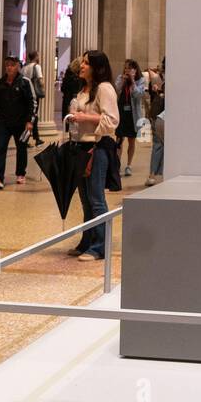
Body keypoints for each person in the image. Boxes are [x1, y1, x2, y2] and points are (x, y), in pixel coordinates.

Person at [65, 51, 120, 260]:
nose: (82, 65)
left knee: (96, 198)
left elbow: (111, 120)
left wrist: (84, 117)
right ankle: (87, 240)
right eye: (83, 62)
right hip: (80, 147)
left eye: (87, 63)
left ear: (97, 67)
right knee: (86, 200)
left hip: (97, 147)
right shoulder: (83, 89)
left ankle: (99, 246)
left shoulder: (104, 88)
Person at [0, 56, 36, 189]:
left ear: (18, 66)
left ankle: (21, 173)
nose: (9, 67)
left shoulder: (25, 82)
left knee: (21, 148)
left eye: (12, 65)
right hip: (3, 122)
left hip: (21, 122)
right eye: (7, 65)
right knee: (1, 148)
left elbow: (32, 102)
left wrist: (30, 121)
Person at [114, 59, 144, 178]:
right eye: (126, 68)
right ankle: (117, 164)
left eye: (130, 68)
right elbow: (117, 89)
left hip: (133, 115)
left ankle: (129, 165)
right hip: (121, 113)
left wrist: (132, 82)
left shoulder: (141, 80)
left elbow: (138, 95)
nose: (127, 70)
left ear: (135, 70)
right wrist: (123, 80)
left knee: (131, 140)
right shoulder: (120, 78)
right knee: (119, 140)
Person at [21, 50, 46, 144]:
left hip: (25, 94)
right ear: (35, 57)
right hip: (34, 93)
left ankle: (34, 137)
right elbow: (40, 79)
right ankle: (29, 139)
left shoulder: (24, 67)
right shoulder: (37, 66)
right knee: (33, 115)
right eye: (38, 56)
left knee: (29, 115)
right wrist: (42, 89)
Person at [145, 69, 165, 186]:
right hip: (159, 116)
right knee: (158, 146)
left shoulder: (158, 78)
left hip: (158, 116)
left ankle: (154, 175)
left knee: (158, 146)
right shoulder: (157, 78)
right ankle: (154, 175)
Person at [60, 56, 85, 127]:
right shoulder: (76, 78)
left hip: (67, 100)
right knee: (73, 122)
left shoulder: (68, 75)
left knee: (69, 122)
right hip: (72, 101)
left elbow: (63, 88)